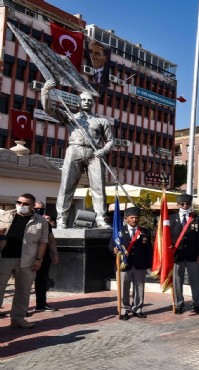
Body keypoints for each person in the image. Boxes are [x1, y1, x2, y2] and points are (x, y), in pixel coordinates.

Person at [41, 79, 114, 228]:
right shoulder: (70, 116)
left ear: (93, 103)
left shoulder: (101, 121)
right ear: (79, 102)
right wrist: (45, 92)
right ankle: (61, 219)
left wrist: (104, 150)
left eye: (89, 100)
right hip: (75, 149)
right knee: (67, 186)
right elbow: (49, 110)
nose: (86, 102)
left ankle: (101, 218)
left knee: (98, 187)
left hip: (94, 153)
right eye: (83, 100)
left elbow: (111, 140)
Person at [0, 193, 49, 328]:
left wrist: (39, 259)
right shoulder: (4, 215)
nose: (21, 206)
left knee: (23, 290)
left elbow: (43, 242)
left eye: (26, 204)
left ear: (33, 206)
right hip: (4, 258)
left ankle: (18, 318)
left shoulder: (41, 221)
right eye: (19, 202)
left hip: (27, 260)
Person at [110, 207, 153, 320]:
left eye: (136, 217)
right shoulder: (119, 231)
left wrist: (150, 264)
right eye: (132, 217)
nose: (134, 219)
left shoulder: (145, 231)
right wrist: (114, 249)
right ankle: (124, 310)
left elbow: (149, 249)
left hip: (140, 264)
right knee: (124, 288)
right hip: (124, 265)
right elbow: (111, 245)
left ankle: (137, 309)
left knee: (139, 288)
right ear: (126, 218)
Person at [170, 193, 199, 314]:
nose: (185, 206)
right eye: (182, 204)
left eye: (188, 204)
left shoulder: (196, 218)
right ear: (178, 205)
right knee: (177, 281)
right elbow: (166, 238)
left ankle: (197, 303)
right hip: (177, 255)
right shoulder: (170, 218)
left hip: (193, 255)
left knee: (195, 280)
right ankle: (179, 303)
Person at [32, 201, 60, 312]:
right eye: (37, 208)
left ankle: (41, 304)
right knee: (24, 282)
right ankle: (21, 308)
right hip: (26, 256)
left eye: (41, 208)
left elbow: (51, 240)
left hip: (43, 256)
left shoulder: (45, 223)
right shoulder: (22, 221)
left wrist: (55, 254)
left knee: (42, 280)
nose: (39, 210)